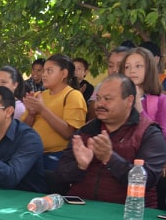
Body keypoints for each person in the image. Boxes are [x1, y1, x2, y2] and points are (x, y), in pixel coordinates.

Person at [55, 74, 166, 207]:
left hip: (128, 213)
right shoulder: (86, 131)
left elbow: (148, 180)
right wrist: (80, 166)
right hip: (81, 208)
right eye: (98, 98)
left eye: (108, 99)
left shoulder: (149, 133)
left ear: (129, 101)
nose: (100, 104)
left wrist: (110, 158)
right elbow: (61, 175)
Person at [22, 54, 87, 171]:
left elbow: (69, 133)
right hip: (33, 156)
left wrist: (42, 109)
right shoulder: (39, 95)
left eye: (49, 71)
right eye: (44, 71)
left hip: (57, 157)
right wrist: (31, 114)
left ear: (64, 74)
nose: (44, 74)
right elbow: (22, 130)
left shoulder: (73, 95)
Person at [120, 47, 166, 136]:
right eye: (127, 67)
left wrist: (140, 111)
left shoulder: (161, 100)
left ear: (149, 69)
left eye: (138, 66)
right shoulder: (118, 98)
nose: (132, 71)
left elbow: (162, 137)